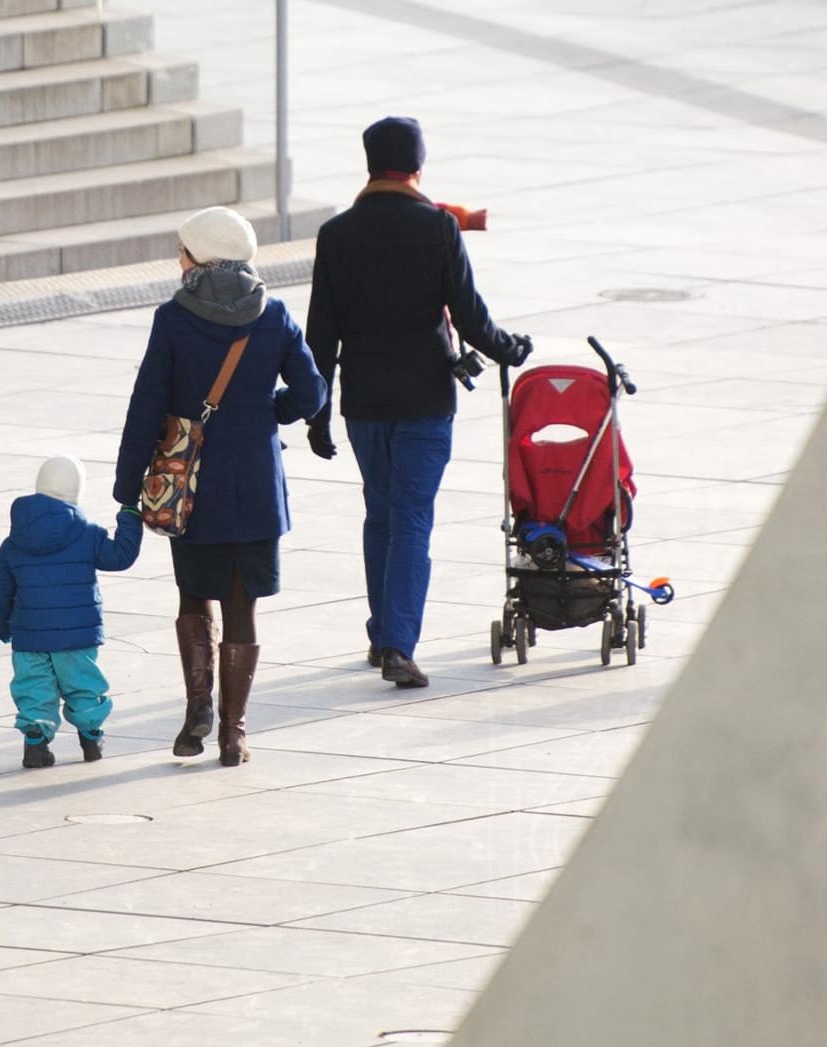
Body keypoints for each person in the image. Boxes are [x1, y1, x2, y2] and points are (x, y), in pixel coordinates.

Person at [304, 115, 533, 688]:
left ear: (368, 165)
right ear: (417, 167)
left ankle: (384, 629)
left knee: (381, 512)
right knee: (410, 519)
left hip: (363, 403)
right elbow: (472, 318)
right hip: (425, 400)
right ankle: (397, 646)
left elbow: (320, 333)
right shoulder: (436, 228)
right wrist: (512, 349)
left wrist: (317, 410)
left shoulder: (336, 235)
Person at [114, 205, 327, 766]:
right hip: (255, 481)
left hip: (192, 482)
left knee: (194, 593)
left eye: (182, 251)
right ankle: (234, 734)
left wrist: (127, 481)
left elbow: (147, 404)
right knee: (242, 604)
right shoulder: (274, 313)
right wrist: (266, 411)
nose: (177, 260)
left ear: (198, 258)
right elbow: (312, 394)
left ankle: (196, 715)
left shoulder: (173, 319)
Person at [0, 455, 142, 768]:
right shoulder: (87, 534)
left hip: (30, 636)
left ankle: (36, 744)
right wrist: (129, 516)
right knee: (82, 685)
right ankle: (91, 738)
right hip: (77, 635)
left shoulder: (14, 541)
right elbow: (120, 557)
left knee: (34, 689)